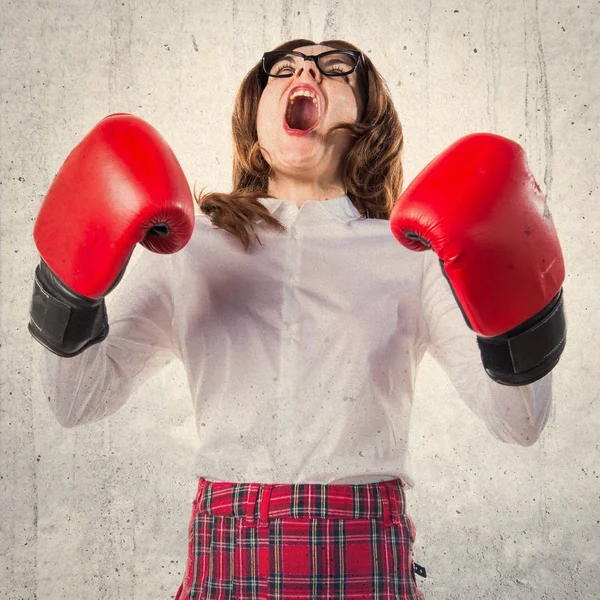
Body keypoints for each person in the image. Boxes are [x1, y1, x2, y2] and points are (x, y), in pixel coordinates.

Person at [29, 38, 565, 600]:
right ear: (255, 114)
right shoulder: (189, 248)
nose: (305, 70)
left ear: (366, 119)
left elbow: (519, 424)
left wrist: (523, 308)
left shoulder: (413, 255)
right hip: (226, 551)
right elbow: (77, 401)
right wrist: (68, 281)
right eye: (282, 68)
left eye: (336, 69)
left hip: (366, 551)